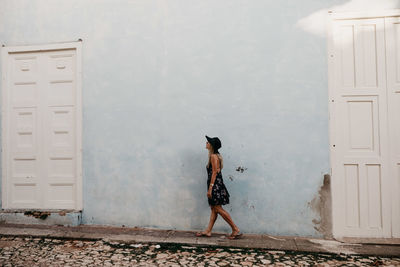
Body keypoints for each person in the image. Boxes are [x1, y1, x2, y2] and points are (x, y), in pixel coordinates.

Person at [196, 135, 242, 239]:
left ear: (211, 145)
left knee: (217, 208)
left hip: (215, 185)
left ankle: (235, 229)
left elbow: (215, 173)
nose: (206, 143)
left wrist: (210, 188)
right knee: (214, 208)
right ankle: (208, 231)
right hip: (216, 184)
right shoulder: (215, 155)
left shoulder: (213, 157)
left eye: (208, 142)